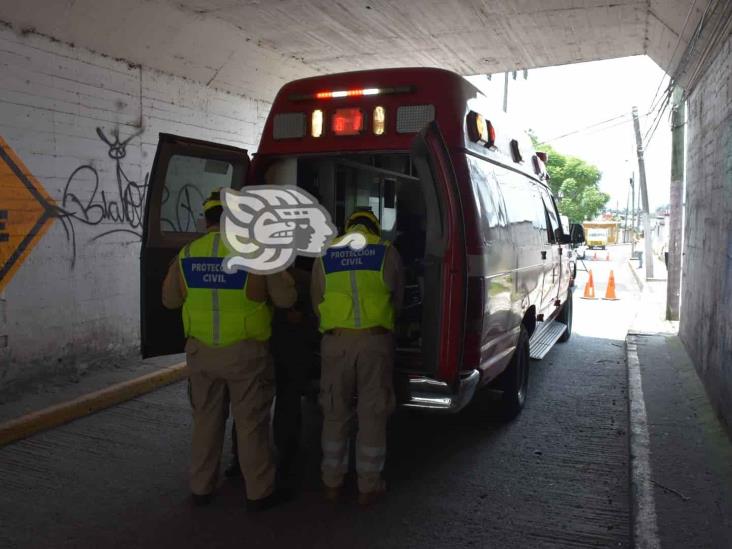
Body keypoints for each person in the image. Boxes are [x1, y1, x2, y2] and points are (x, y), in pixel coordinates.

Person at [162, 190, 296, 511]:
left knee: (206, 421)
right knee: (251, 424)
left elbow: (169, 300)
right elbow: (287, 299)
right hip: (245, 355)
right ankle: (259, 493)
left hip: (201, 355)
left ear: (206, 219)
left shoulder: (187, 255)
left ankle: (201, 487)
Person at [311, 209, 404, 505]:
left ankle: (332, 483)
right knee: (372, 413)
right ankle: (368, 486)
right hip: (375, 342)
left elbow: (317, 300)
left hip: (335, 343)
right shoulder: (386, 251)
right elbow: (398, 298)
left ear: (347, 226)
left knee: (335, 411)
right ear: (374, 228)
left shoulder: (325, 253)